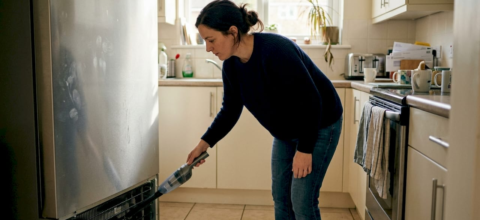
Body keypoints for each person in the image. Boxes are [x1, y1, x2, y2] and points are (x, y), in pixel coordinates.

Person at [186, 0, 343, 219]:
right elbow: (230, 110)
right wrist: (203, 144)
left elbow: (311, 101)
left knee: (302, 202)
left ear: (232, 32)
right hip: (285, 133)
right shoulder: (231, 65)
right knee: (281, 199)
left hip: (319, 124)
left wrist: (305, 149)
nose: (208, 47)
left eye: (211, 40)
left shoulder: (276, 50)